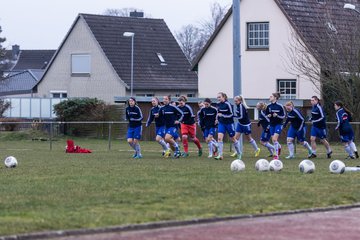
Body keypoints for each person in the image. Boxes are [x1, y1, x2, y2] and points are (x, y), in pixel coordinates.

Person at [214, 92, 242, 160]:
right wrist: (216, 119)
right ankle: (220, 155)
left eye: (219, 97)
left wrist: (223, 115)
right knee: (219, 138)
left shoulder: (228, 104)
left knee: (233, 139)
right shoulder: (218, 104)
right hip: (221, 123)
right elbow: (218, 113)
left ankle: (239, 153)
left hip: (229, 123)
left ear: (224, 97)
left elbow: (231, 115)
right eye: (217, 97)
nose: (218, 98)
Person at [265, 92, 284, 159]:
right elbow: (266, 115)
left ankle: (276, 155)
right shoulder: (268, 106)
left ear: (275, 98)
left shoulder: (280, 106)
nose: (269, 98)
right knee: (273, 140)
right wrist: (268, 115)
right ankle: (279, 147)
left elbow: (283, 116)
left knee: (274, 139)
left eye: (271, 96)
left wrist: (277, 115)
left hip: (278, 124)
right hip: (272, 124)